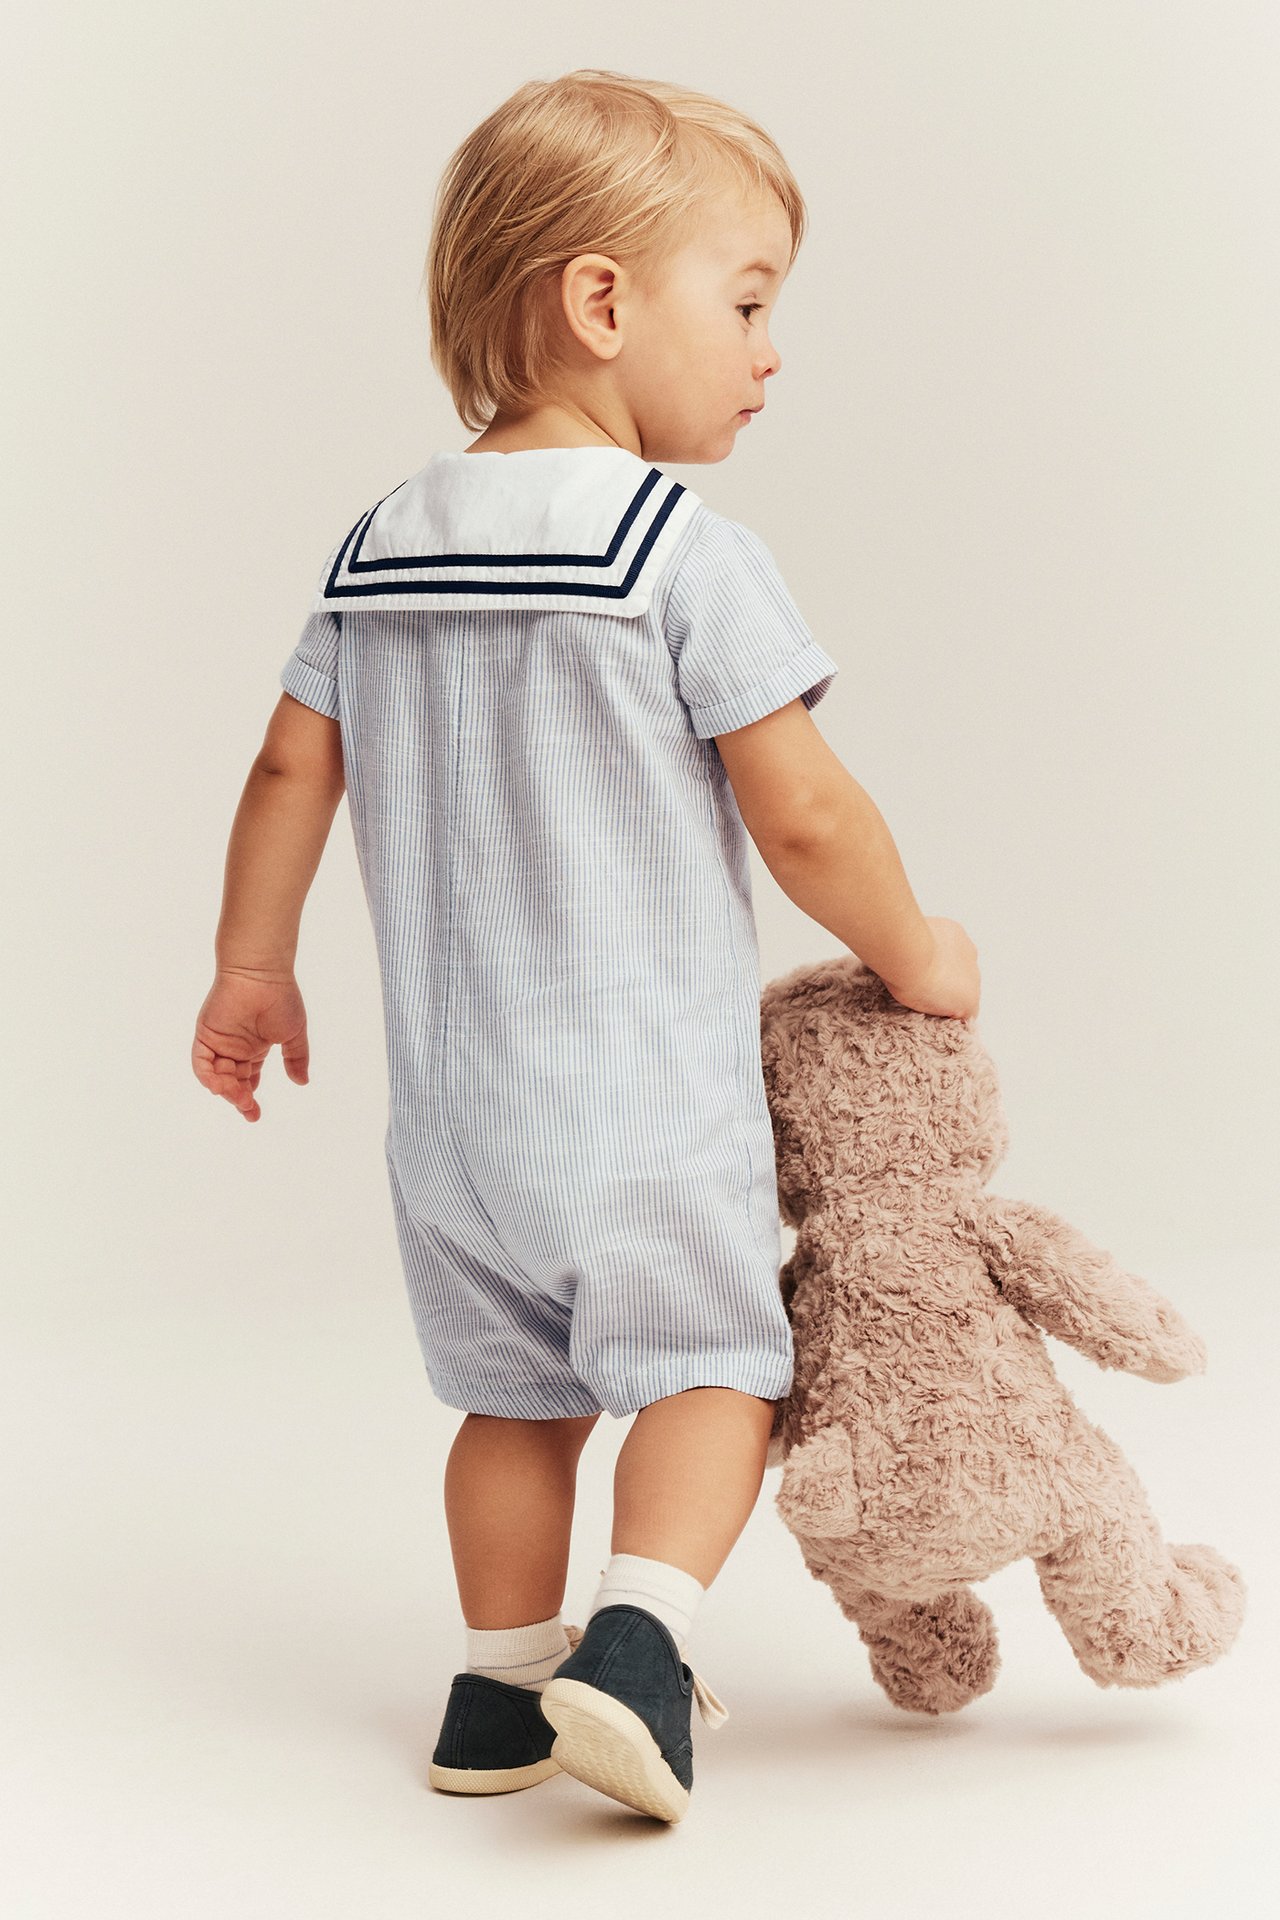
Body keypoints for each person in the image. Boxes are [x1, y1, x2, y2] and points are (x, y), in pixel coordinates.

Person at [191, 68, 980, 1825]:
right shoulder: (672, 549)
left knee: (513, 1405)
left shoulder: (378, 544)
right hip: (641, 1110)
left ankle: (495, 1690)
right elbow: (807, 816)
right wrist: (916, 949)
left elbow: (285, 768)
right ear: (604, 302)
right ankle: (640, 1650)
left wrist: (253, 968)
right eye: (753, 302)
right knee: (717, 1373)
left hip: (456, 1130)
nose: (775, 353)